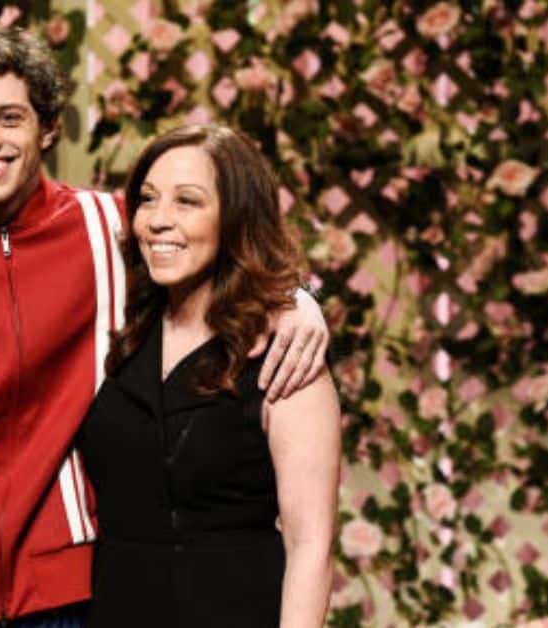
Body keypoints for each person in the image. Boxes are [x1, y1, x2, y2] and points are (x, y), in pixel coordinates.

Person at [0, 24, 330, 628]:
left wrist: (298, 299)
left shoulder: (110, 229)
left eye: (9, 118)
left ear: (48, 128)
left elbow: (221, 244)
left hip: (61, 601)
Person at [76, 125, 340, 627]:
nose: (159, 220)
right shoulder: (123, 328)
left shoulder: (286, 356)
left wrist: (298, 300)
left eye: (187, 201)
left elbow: (311, 545)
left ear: (236, 218)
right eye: (148, 199)